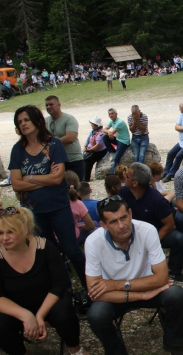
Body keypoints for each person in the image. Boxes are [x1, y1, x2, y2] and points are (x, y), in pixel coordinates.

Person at [86, 196, 183, 355]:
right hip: (132, 293)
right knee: (96, 314)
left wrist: (114, 284)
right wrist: (141, 295)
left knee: (177, 294)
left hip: (139, 287)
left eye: (124, 217)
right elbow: (95, 292)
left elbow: (162, 278)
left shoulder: (147, 230)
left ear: (130, 213)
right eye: (113, 221)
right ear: (103, 225)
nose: (121, 225)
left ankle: (174, 343)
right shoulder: (93, 242)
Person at [0, 207, 95, 355]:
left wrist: (39, 316)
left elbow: (59, 285)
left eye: (11, 232)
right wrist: (25, 315)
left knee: (64, 312)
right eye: (0, 233)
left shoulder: (44, 247)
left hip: (48, 299)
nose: (4, 238)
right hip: (16, 305)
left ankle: (75, 349)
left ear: (25, 230)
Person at [9, 105, 87, 290]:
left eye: (26, 119)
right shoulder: (17, 150)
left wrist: (29, 177)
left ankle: (90, 286)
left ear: (37, 120)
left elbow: (58, 178)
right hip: (34, 212)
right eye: (19, 122)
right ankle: (63, 290)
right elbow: (16, 184)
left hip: (58, 207)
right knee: (49, 253)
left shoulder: (54, 145)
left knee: (72, 250)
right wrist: (46, 179)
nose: (23, 124)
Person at [120, 163, 183, 283]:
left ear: (135, 183)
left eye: (127, 176)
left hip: (156, 232)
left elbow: (169, 225)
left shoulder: (157, 200)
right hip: (133, 231)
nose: (124, 178)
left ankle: (174, 271)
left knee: (179, 239)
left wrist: (152, 241)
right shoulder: (124, 192)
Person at [45, 96, 85, 181]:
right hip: (56, 162)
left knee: (76, 190)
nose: (48, 107)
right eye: (47, 105)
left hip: (73, 160)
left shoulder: (69, 119)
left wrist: (52, 144)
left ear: (59, 105)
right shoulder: (45, 121)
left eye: (51, 104)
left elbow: (70, 138)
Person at [65, 171, 96, 246]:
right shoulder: (78, 203)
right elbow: (91, 226)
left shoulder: (55, 202)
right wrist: (81, 226)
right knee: (95, 225)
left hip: (57, 237)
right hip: (74, 237)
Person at [103, 108, 130, 174]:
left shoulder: (120, 122)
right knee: (104, 137)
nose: (111, 115)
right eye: (109, 114)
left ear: (116, 114)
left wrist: (109, 132)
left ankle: (112, 172)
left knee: (116, 158)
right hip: (118, 139)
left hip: (124, 141)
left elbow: (112, 132)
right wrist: (108, 132)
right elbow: (105, 129)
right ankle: (112, 151)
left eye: (112, 113)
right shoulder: (112, 121)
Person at [83, 116, 107, 182]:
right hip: (92, 149)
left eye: (92, 124)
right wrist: (86, 146)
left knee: (88, 160)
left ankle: (86, 179)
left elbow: (98, 146)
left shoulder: (100, 134)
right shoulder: (93, 131)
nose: (91, 125)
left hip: (99, 151)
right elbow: (88, 139)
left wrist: (89, 150)